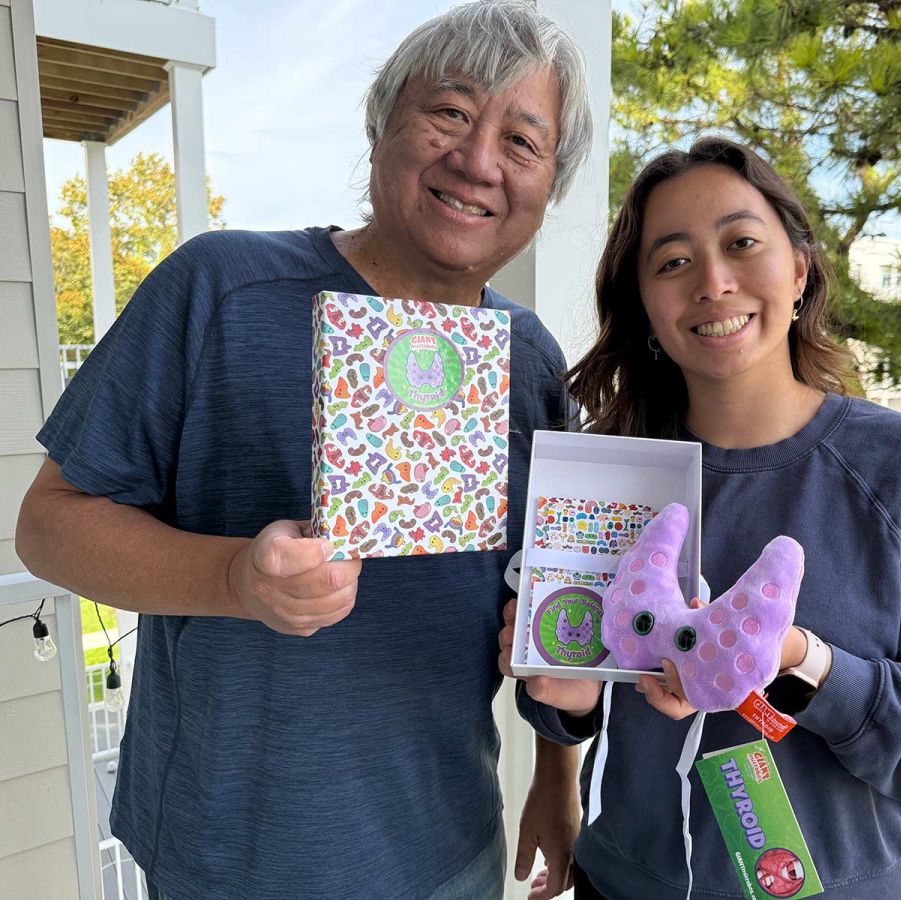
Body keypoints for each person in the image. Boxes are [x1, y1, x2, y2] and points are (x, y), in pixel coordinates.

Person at [16, 3, 593, 898]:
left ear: (549, 184)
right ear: (382, 122)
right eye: (449, 111)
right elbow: (48, 526)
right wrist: (236, 579)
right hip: (230, 862)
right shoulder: (221, 288)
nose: (479, 160)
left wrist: (557, 775)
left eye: (522, 141)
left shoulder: (532, 361)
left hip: (450, 851)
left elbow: (557, 590)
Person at [500, 137, 901, 898]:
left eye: (742, 243)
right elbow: (563, 694)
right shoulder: (612, 472)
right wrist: (569, 706)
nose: (713, 282)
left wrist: (801, 662)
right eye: (673, 261)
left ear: (800, 269)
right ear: (644, 304)